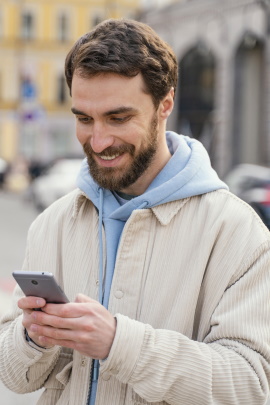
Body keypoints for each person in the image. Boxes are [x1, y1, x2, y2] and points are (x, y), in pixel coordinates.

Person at [0, 18, 270, 405]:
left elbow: (249, 385)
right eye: (83, 118)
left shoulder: (239, 233)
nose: (98, 140)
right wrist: (31, 337)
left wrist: (118, 343)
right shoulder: (52, 223)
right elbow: (14, 378)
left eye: (118, 118)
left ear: (165, 105)